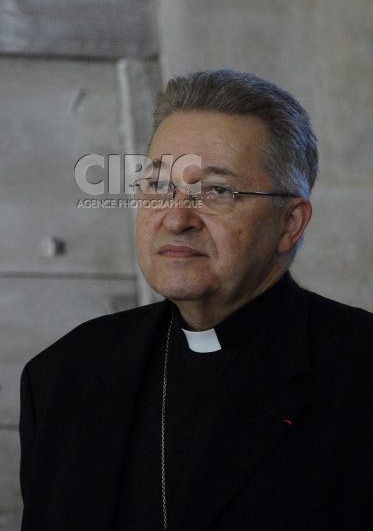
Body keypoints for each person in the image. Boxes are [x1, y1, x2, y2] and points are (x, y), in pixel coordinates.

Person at [19, 69, 373, 530]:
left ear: (289, 224)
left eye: (217, 191)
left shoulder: (361, 370)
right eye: (159, 187)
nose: (176, 218)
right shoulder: (63, 375)